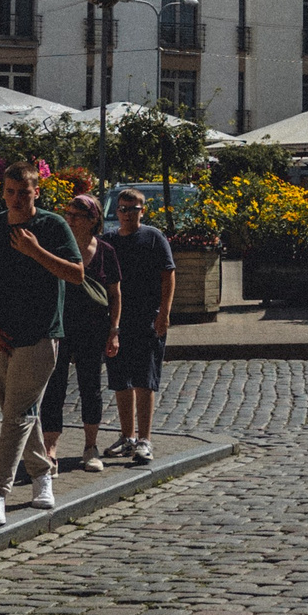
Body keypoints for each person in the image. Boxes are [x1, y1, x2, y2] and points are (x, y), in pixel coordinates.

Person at [0, 164, 87, 526]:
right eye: (10, 192)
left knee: (17, 415)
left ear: (37, 191)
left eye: (24, 192)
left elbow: (77, 274)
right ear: (2, 192)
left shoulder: (52, 226)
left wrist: (35, 251)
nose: (17, 199)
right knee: (17, 411)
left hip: (40, 333)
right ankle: (41, 475)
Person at [42, 194, 122, 471]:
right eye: (68, 214)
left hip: (94, 327)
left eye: (76, 215)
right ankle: (50, 448)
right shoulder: (58, 248)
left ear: (93, 220)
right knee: (55, 387)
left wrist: (114, 331)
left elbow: (115, 294)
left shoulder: (105, 251)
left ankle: (90, 447)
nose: (70, 219)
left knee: (91, 387)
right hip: (60, 327)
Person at [105, 188, 177, 467]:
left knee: (144, 381)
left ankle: (145, 439)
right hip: (117, 321)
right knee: (120, 379)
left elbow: (168, 276)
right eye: (122, 209)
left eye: (132, 209)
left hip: (146, 317)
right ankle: (127, 436)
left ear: (142, 211)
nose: (125, 214)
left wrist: (164, 313)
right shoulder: (109, 240)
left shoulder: (153, 238)